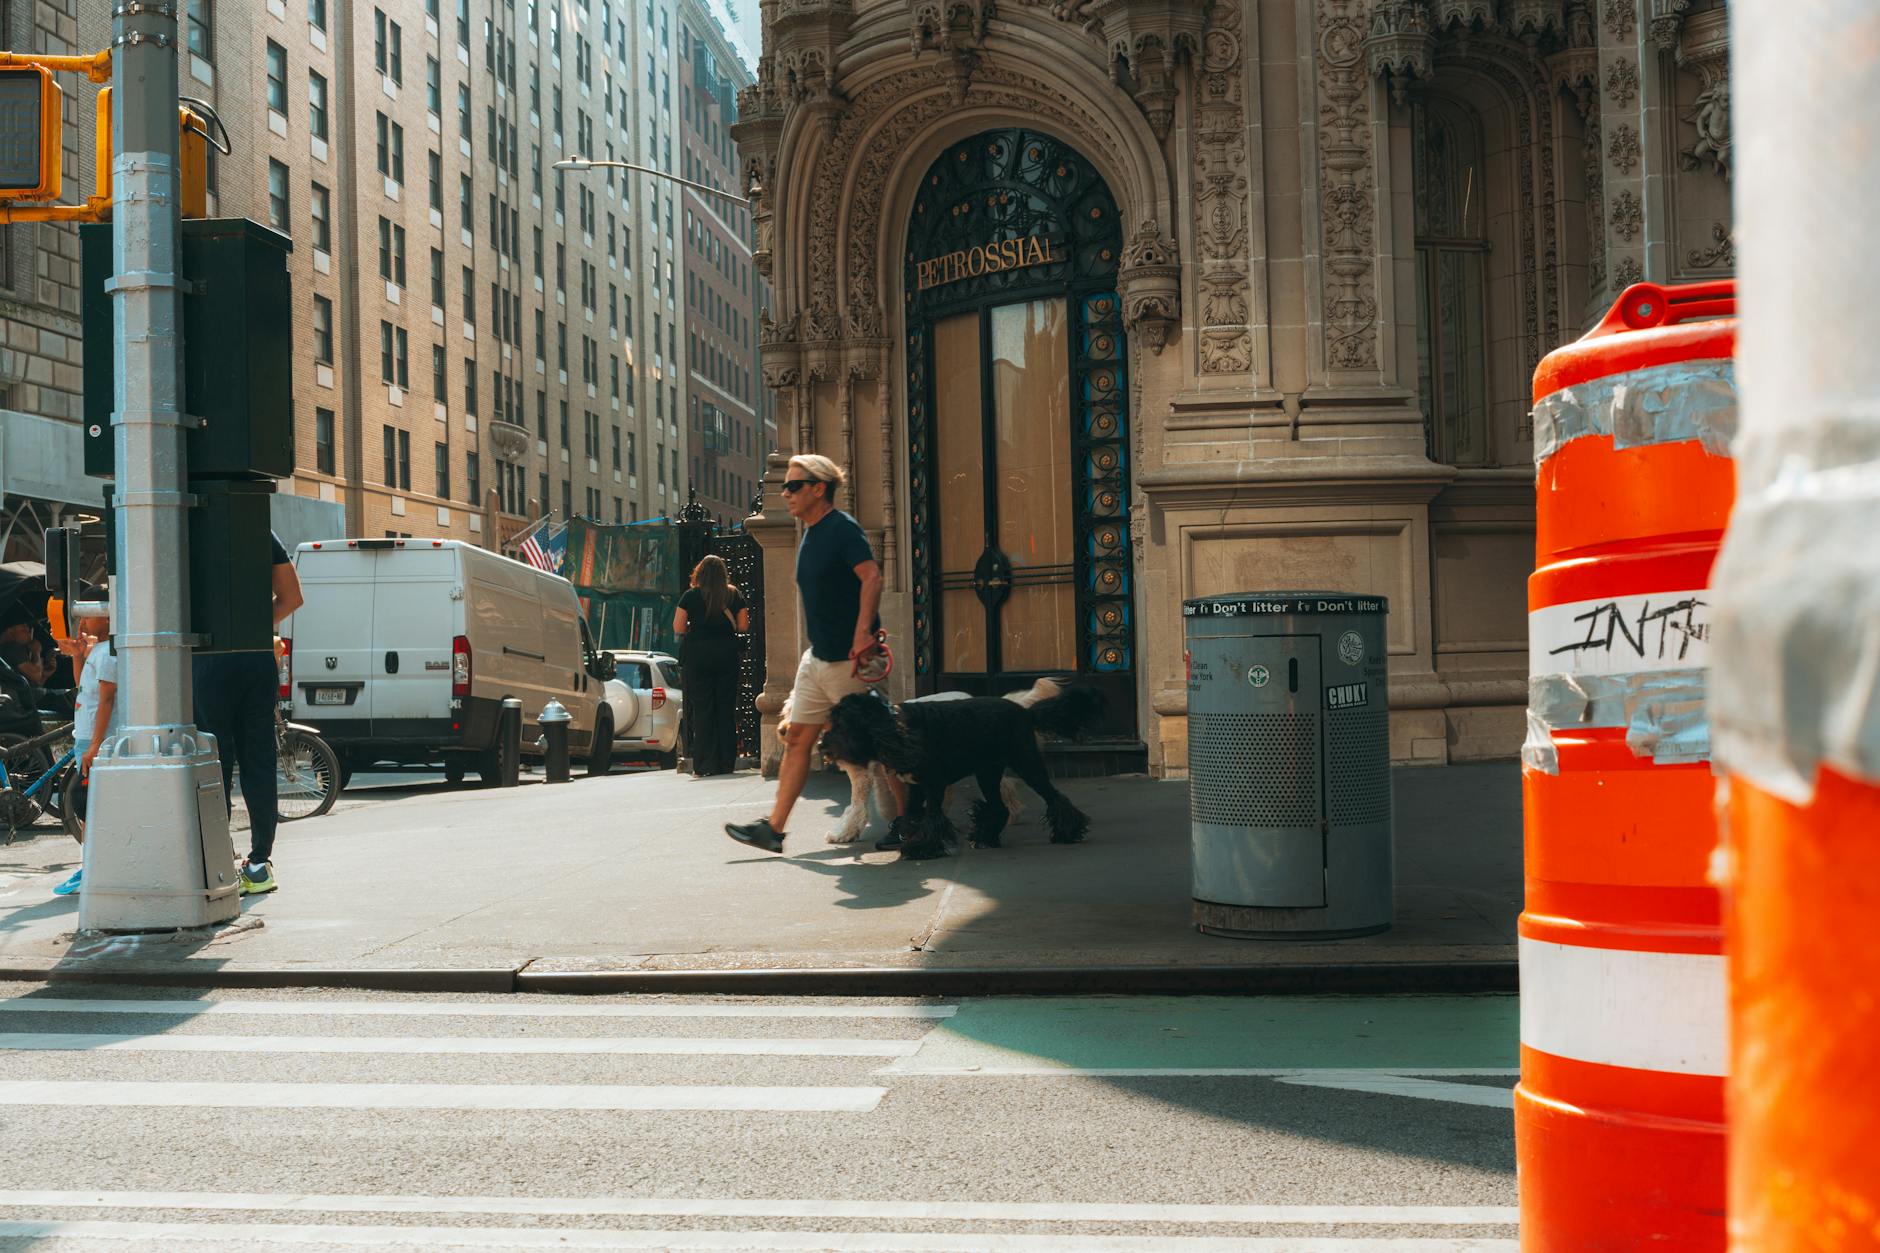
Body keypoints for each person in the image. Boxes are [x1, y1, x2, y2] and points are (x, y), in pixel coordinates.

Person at [725, 455, 903, 853]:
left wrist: (862, 635)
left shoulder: (843, 530)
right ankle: (773, 830)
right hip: (818, 659)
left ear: (818, 488)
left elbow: (872, 576)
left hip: (849, 662)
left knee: (880, 742)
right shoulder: (811, 533)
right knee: (798, 739)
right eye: (784, 486)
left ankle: (908, 823)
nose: (784, 492)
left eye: (793, 485)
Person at [192, 533, 303, 896]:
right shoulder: (260, 531)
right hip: (255, 657)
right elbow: (292, 597)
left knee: (214, 760)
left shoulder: (179, 518)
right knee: (258, 760)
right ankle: (259, 864)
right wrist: (252, 628)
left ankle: (219, 859)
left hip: (207, 657)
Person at [52, 612, 116, 896]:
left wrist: (96, 744)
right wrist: (78, 655)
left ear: (107, 617)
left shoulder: (108, 652)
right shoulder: (98, 651)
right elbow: (84, 689)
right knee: (89, 805)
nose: (82, 623)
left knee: (89, 804)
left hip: (93, 737)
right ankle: (90, 864)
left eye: (88, 615)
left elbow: (107, 698)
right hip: (86, 735)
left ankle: (92, 867)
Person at [673, 554, 750, 777]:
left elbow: (678, 627)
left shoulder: (690, 596)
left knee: (703, 709)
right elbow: (743, 626)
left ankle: (705, 764)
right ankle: (727, 762)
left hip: (698, 655)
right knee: (725, 709)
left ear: (700, 573)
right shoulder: (734, 594)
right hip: (726, 653)